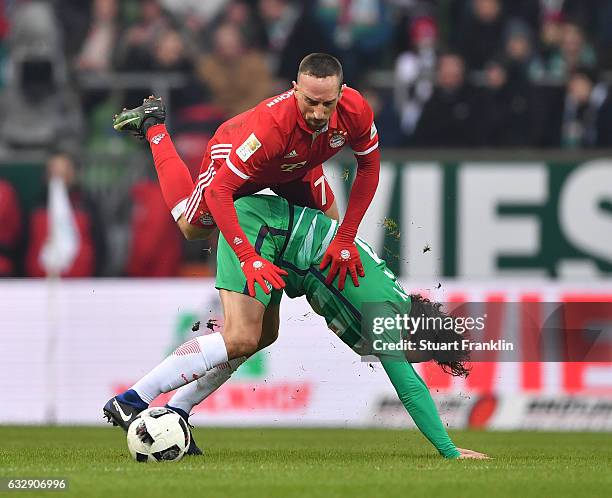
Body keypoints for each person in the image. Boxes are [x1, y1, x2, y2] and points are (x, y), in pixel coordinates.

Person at [104, 194, 488, 460]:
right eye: (423, 352)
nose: (412, 358)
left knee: (262, 336)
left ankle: (178, 412)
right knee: (240, 336)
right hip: (262, 230)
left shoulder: (395, 298)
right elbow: (410, 389)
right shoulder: (388, 316)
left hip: (283, 248)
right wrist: (450, 451)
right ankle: (133, 399)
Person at [112, 53, 381, 296]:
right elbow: (219, 192)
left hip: (297, 166)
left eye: (327, 103)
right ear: (295, 90)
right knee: (191, 227)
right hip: (238, 158)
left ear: (342, 93)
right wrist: (246, 256)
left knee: (328, 229)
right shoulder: (271, 126)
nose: (318, 113)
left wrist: (346, 236)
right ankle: (153, 125)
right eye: (310, 102)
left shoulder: (356, 110)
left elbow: (369, 168)